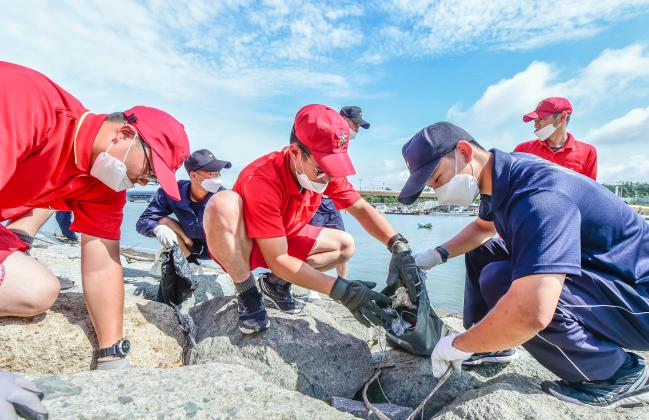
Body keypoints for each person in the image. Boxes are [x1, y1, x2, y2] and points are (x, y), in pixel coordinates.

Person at [399, 121, 649, 408]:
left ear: (465, 152)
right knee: (487, 251)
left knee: (503, 281)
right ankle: (492, 345)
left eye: (439, 180)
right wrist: (435, 255)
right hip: (609, 279)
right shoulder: (504, 175)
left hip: (640, 299)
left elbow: (532, 312)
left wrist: (457, 345)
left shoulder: (541, 198)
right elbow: (483, 229)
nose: (440, 192)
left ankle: (618, 375)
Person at [0, 61, 190, 371]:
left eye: (153, 180)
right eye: (149, 169)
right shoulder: (30, 103)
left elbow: (102, 264)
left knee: (35, 289)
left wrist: (111, 354)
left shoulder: (103, 186)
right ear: (125, 134)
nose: (144, 182)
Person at [204, 104, 412, 334]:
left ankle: (274, 285)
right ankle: (247, 292)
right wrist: (341, 290)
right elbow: (278, 258)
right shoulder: (262, 177)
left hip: (284, 239)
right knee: (222, 203)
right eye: (321, 170)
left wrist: (397, 244)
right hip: (247, 246)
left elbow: (360, 207)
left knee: (345, 245)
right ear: (296, 152)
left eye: (332, 170)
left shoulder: (324, 170)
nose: (327, 178)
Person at [306, 106, 370, 288]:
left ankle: (342, 282)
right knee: (314, 244)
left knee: (343, 239)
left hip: (330, 200)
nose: (357, 128)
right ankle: (306, 282)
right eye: (355, 123)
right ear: (342, 119)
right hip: (315, 200)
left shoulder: (343, 144)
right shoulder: (324, 134)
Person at [137, 149, 231, 269]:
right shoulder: (173, 191)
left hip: (218, 250)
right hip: (187, 246)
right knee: (162, 222)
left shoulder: (225, 197)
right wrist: (157, 230)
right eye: (211, 173)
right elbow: (144, 221)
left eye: (218, 172)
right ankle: (191, 262)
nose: (217, 177)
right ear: (194, 176)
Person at [514, 97, 597, 180]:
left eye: (541, 119)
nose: (536, 125)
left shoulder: (588, 152)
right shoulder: (523, 149)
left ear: (562, 117)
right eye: (535, 121)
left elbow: (589, 190)